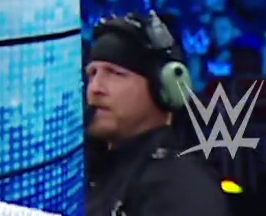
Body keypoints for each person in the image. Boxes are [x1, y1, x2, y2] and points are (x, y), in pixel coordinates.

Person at [84, 13, 231, 216]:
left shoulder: (181, 187)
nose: (95, 88)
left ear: (164, 88)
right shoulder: (91, 171)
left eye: (115, 74)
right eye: (92, 74)